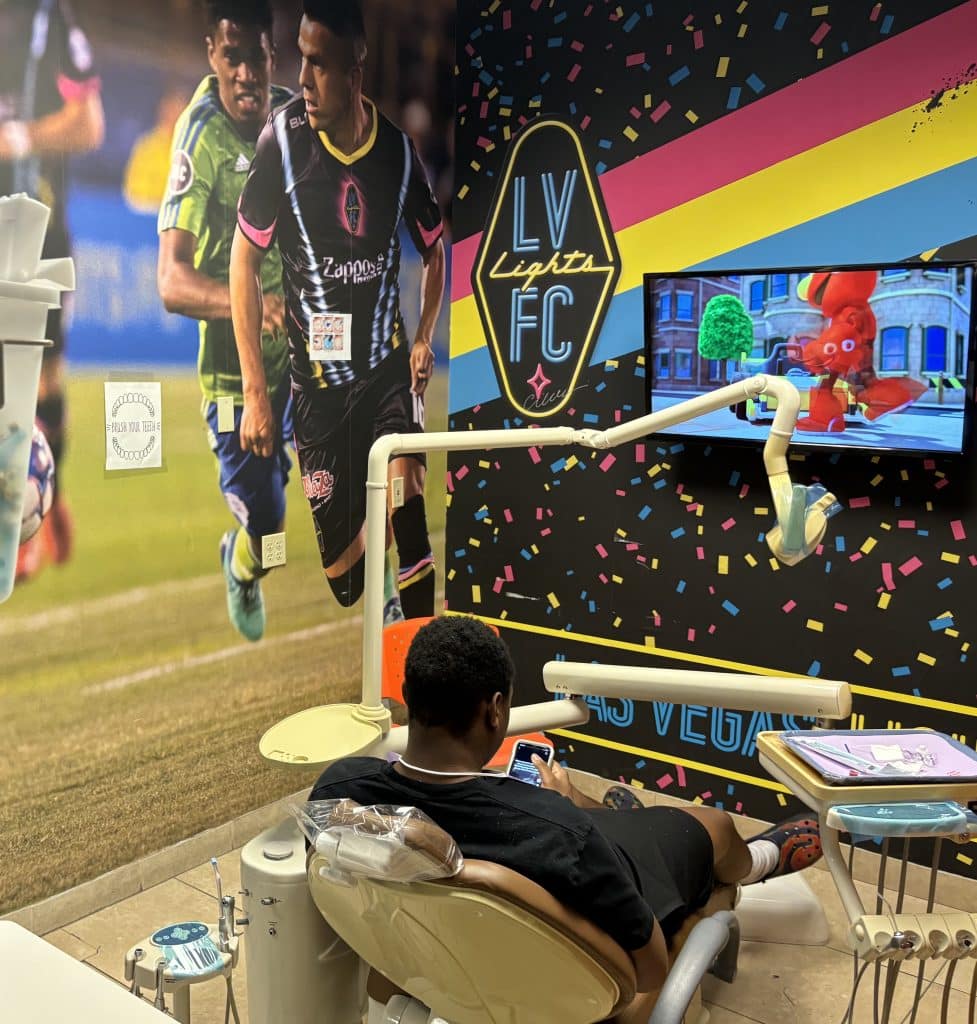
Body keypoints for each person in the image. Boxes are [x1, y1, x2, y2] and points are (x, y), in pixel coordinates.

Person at [310, 616, 823, 994]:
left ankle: (617, 814)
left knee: (603, 815)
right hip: (606, 913)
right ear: (495, 710)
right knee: (714, 828)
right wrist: (560, 809)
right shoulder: (557, 831)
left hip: (442, 960)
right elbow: (649, 973)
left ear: (406, 694)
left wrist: (553, 807)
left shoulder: (339, 790)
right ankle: (756, 863)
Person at [230, 0, 445, 624]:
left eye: (317, 64)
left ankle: (422, 660)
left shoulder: (397, 155)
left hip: (385, 372)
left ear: (354, 71)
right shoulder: (282, 143)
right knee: (348, 582)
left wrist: (423, 335)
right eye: (301, 59)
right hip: (318, 394)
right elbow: (243, 260)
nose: (302, 78)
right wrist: (255, 392)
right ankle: (379, 581)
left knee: (407, 498)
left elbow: (436, 250)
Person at [157, 0, 292, 642]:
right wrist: (252, 307)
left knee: (357, 480)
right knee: (272, 536)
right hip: (234, 376)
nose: (245, 74)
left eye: (255, 58)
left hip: (308, 356)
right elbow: (171, 281)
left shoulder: (295, 118)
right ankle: (241, 564)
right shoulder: (200, 137)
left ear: (273, 56)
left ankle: (392, 608)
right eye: (231, 57)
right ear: (212, 52)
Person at [0, 0, 104, 579]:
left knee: (41, 378)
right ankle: (34, 504)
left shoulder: (49, 18)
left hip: (38, 228)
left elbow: (89, 124)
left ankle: (36, 508)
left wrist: (20, 138)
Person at [123, 86, 190, 215]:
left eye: (178, 109)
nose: (173, 115)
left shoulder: (194, 148)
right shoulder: (146, 145)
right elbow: (134, 190)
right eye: (169, 109)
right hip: (147, 214)